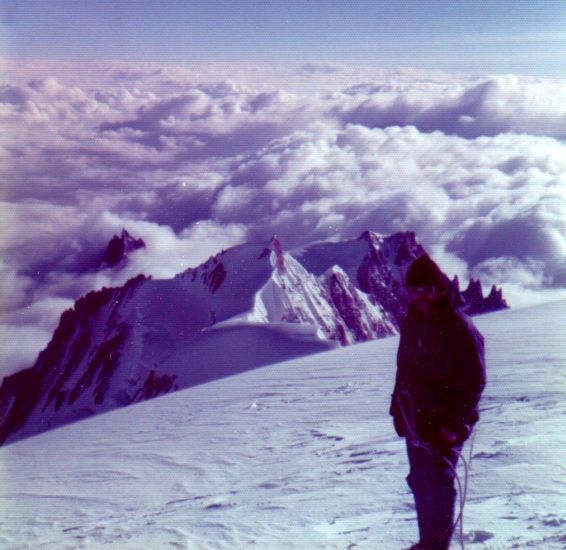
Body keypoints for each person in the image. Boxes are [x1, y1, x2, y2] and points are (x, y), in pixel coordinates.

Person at [390, 255, 486, 550]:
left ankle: (437, 545)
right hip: (417, 417)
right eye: (414, 290)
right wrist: (397, 407)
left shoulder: (460, 327)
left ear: (440, 290)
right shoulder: (413, 324)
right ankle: (427, 542)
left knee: (439, 480)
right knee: (420, 479)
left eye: (427, 290)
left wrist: (453, 425)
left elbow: (474, 381)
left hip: (446, 419)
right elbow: (404, 366)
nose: (420, 297)